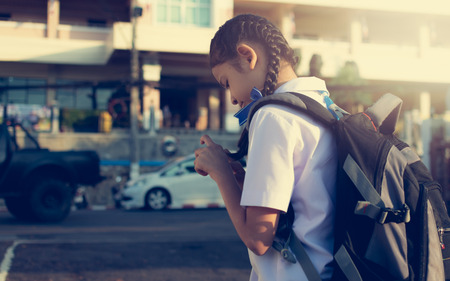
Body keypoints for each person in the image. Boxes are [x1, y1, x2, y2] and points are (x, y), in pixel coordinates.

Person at [194, 14, 337, 281]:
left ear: (248, 56)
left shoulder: (273, 116)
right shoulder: (323, 106)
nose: (233, 98)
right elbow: (304, 203)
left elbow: (258, 238)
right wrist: (240, 178)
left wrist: (221, 174)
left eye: (227, 83)